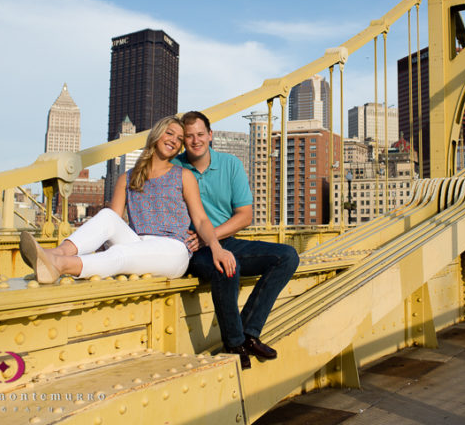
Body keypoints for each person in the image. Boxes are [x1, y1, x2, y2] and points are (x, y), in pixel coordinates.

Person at [19, 116, 236, 284]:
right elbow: (111, 225)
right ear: (157, 134)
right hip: (137, 242)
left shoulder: (183, 175)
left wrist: (216, 248)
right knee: (106, 216)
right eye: (170, 133)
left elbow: (200, 220)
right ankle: (55, 254)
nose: (174, 140)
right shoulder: (127, 178)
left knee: (120, 255)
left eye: (179, 139)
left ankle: (59, 265)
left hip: (173, 251)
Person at [173, 111, 299, 370]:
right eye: (189, 136)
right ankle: (234, 343)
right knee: (228, 267)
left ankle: (249, 334)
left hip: (222, 240)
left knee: (287, 256)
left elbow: (245, 216)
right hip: (192, 250)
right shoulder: (174, 167)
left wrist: (210, 237)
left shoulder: (231, 165)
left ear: (210, 135)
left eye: (200, 134)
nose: (195, 140)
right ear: (183, 140)